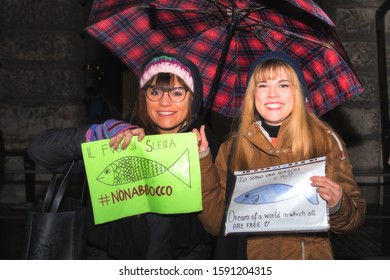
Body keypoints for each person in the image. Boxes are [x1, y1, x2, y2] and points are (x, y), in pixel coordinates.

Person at [27, 52, 218, 259]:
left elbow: (215, 224)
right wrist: (100, 133)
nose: (164, 102)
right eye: (154, 91)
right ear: (144, 96)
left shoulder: (208, 146)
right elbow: (39, 151)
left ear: (193, 98)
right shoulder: (121, 138)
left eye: (177, 93)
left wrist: (202, 158)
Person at [193, 51, 366, 260]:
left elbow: (354, 218)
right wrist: (202, 158)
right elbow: (215, 224)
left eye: (283, 85)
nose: (272, 94)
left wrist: (338, 203)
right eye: (263, 85)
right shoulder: (232, 149)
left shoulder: (325, 141)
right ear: (252, 95)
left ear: (299, 93)